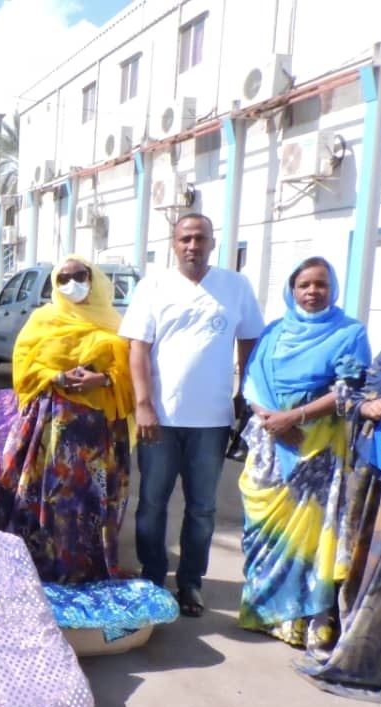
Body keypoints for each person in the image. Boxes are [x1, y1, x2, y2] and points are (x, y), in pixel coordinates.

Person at [119, 213, 265, 617]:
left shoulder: (235, 287)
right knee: (152, 502)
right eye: (185, 238)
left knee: (202, 507)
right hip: (161, 420)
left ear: (212, 243)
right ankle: (152, 578)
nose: (192, 246)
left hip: (213, 420)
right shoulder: (154, 286)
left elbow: (250, 341)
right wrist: (144, 404)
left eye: (200, 238)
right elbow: (138, 350)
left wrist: (242, 395)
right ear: (173, 242)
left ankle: (190, 584)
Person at [238, 258, 371, 650]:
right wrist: (272, 420)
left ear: (333, 290)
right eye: (305, 285)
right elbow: (251, 383)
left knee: (312, 536)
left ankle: (304, 621)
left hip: (318, 448)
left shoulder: (350, 332)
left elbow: (350, 389)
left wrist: (295, 416)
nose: (313, 292)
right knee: (263, 529)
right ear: (292, 290)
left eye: (321, 285)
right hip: (269, 443)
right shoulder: (274, 332)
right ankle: (265, 614)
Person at [295, 277, 381, 704]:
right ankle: (359, 645)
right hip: (380, 481)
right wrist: (366, 406)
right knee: (369, 571)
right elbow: (351, 394)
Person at [0, 256, 135, 582]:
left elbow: (130, 372)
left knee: (88, 504)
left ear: (95, 279)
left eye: (80, 276)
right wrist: (57, 376)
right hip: (47, 429)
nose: (72, 284)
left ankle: (86, 570)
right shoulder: (42, 320)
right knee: (48, 498)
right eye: (63, 278)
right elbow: (23, 367)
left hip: (96, 436)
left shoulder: (115, 323)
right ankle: (41, 569)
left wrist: (100, 380)